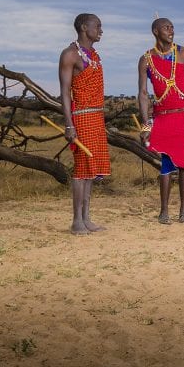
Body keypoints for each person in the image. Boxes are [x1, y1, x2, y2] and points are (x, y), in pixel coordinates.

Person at [137, 18, 184, 225]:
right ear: (156, 31)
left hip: (183, 115)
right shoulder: (146, 59)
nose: (171, 31)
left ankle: (183, 211)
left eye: (172, 27)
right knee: (166, 164)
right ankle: (164, 211)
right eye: (166, 27)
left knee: (183, 164)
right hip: (162, 117)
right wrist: (146, 124)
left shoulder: (183, 53)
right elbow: (143, 93)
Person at [58, 13, 111, 235]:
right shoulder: (70, 55)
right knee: (81, 169)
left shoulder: (94, 55)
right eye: (97, 26)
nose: (100, 30)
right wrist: (69, 125)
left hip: (96, 117)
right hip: (81, 117)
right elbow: (65, 92)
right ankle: (76, 220)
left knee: (92, 169)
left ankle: (87, 217)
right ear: (83, 27)